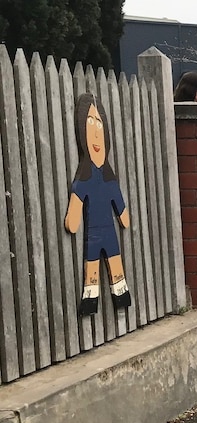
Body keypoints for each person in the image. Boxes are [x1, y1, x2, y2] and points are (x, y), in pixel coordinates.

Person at [64, 93, 132, 315]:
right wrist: (73, 218)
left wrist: (123, 215)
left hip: (109, 233)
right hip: (93, 234)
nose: (95, 131)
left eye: (99, 123)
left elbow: (120, 207)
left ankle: (121, 295)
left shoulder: (108, 177)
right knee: (91, 268)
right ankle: (90, 302)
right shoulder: (83, 178)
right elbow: (74, 214)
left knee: (116, 264)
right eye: (90, 122)